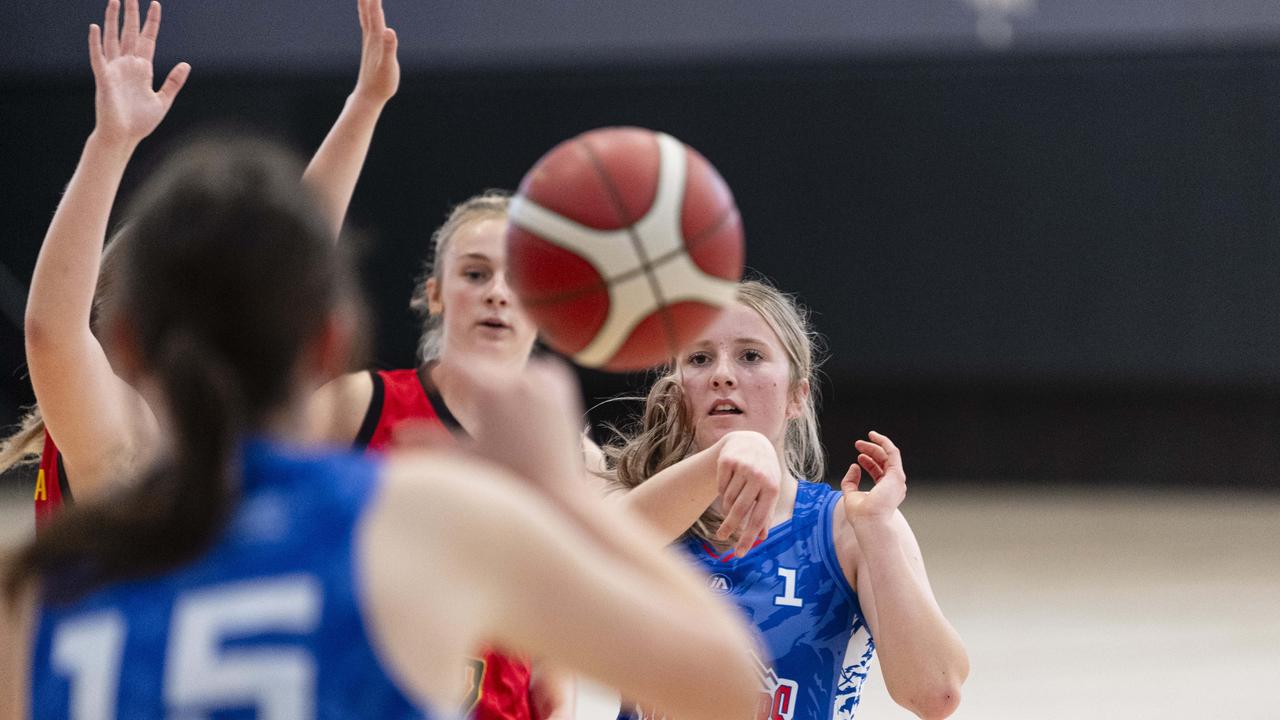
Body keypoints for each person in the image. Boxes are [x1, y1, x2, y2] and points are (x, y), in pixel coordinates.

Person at [0, 133, 763, 720]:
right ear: (332, 342)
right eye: (474, 273)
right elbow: (727, 684)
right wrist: (558, 498)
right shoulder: (409, 512)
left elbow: (49, 330)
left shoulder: (41, 590)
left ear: (124, 337)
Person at [0, 0, 400, 522]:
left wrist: (364, 105)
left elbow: (291, 266)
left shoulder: (227, 428)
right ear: (122, 324)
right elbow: (51, 332)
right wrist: (110, 143)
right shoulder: (121, 435)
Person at [607, 279, 970, 720]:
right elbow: (584, 556)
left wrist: (877, 529)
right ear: (680, 393)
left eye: (750, 356)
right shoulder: (642, 511)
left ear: (797, 395)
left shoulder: (848, 528)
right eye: (700, 358)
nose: (722, 373)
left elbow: (936, 696)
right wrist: (725, 456)